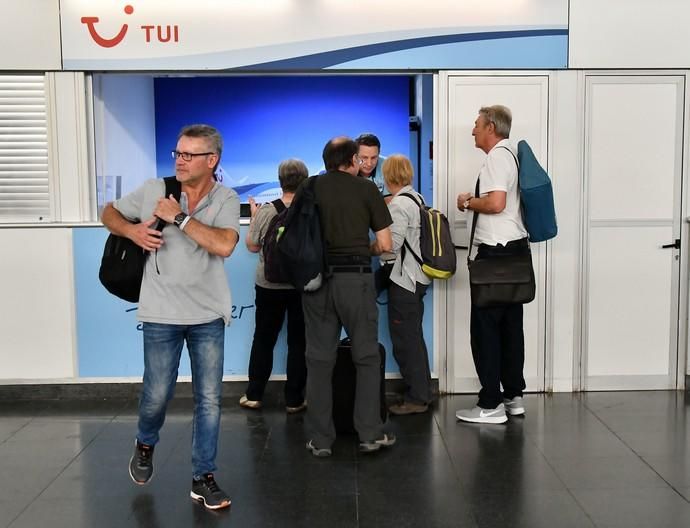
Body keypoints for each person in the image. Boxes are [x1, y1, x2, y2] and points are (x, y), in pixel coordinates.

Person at [101, 124, 240, 510]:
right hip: (161, 312)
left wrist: (179, 218)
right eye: (177, 153)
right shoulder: (153, 189)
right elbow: (107, 212)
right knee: (157, 394)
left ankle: (203, 477)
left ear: (211, 160)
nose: (179, 160)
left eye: (189, 155)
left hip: (208, 313)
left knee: (209, 400)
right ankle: (145, 443)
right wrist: (132, 232)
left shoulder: (225, 197)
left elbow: (225, 244)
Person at [302, 137, 396, 457]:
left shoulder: (309, 187)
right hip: (355, 281)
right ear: (354, 160)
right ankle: (369, 434)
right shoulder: (367, 189)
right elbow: (384, 244)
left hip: (316, 283)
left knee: (319, 361)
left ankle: (320, 439)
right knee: (366, 357)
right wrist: (361, 248)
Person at [455, 105, 529, 424]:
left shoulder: (496, 157)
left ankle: (489, 404)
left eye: (476, 125)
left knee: (485, 331)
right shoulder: (513, 155)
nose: (473, 131)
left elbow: (496, 204)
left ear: (491, 128)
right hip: (515, 252)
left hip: (494, 255)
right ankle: (513, 397)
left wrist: (467, 201)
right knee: (511, 328)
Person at [240, 159, 308, 413]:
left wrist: (256, 217)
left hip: (268, 284)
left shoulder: (268, 210)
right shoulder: (310, 209)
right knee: (299, 342)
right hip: (301, 284)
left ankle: (254, 394)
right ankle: (294, 399)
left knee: (264, 338)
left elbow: (252, 245)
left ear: (280, 181)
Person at [371, 155, 432, 415]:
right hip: (417, 278)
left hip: (404, 280)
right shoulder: (417, 199)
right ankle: (420, 392)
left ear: (387, 176)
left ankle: (417, 398)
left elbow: (390, 247)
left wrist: (369, 248)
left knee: (406, 340)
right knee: (413, 337)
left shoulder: (398, 206)